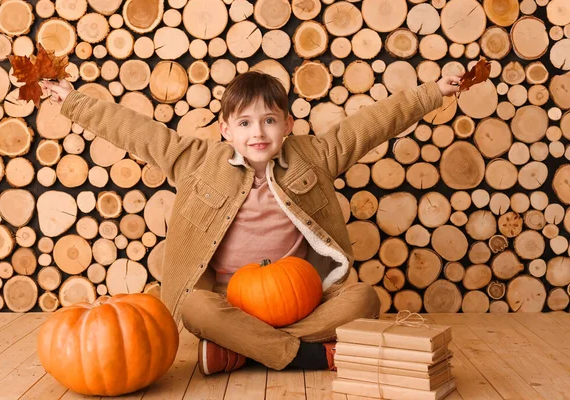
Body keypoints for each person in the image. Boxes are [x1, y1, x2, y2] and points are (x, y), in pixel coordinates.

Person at [44, 71, 461, 376]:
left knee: (365, 299)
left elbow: (369, 125)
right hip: (229, 300)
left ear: (287, 125)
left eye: (268, 120)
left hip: (300, 298)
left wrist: (431, 94)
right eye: (244, 123)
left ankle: (243, 351)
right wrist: (73, 102)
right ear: (226, 129)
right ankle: (306, 356)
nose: (257, 132)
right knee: (192, 305)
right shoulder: (196, 161)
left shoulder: (314, 155)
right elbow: (138, 132)